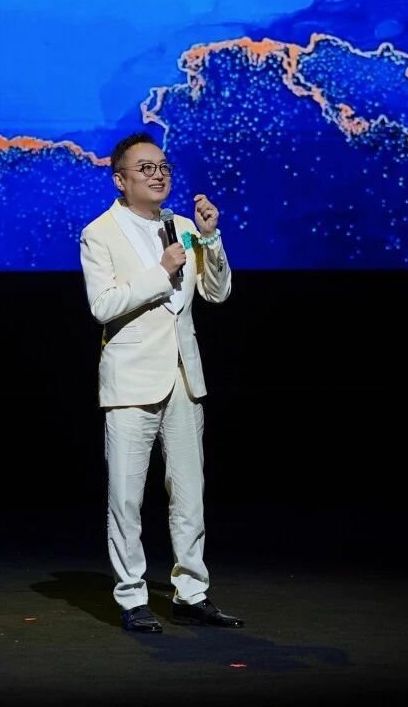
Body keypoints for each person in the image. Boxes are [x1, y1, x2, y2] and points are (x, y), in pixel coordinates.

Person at [78, 132, 240, 634]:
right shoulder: (99, 233)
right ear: (120, 180)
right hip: (131, 379)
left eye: (163, 166)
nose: (158, 175)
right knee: (127, 496)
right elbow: (103, 305)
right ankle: (132, 596)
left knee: (189, 493)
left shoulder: (183, 226)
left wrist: (210, 239)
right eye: (145, 168)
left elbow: (217, 293)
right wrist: (160, 270)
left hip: (183, 376)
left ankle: (191, 592)